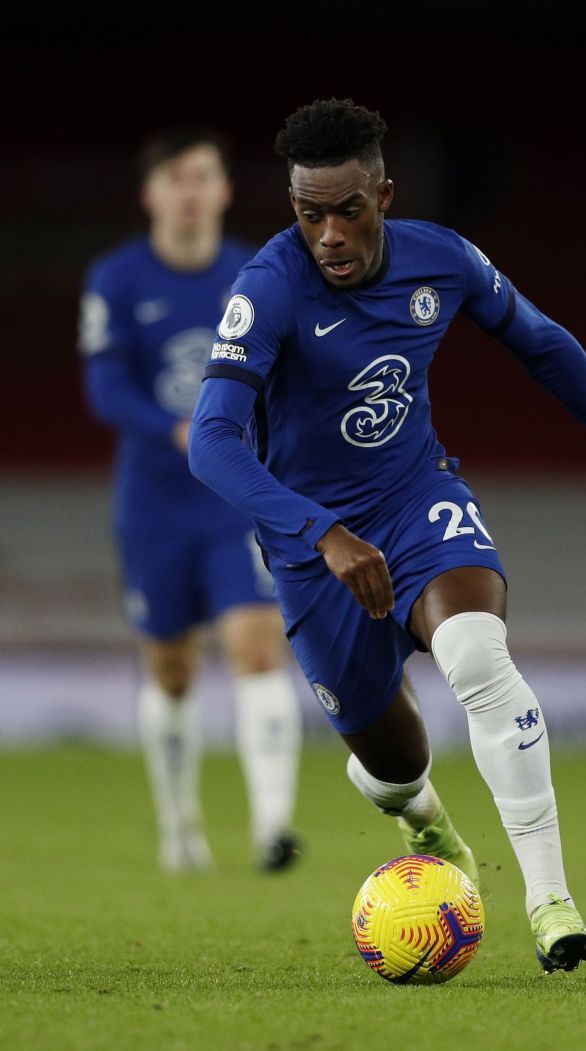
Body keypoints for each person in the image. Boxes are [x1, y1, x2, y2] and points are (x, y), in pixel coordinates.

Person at [188, 99, 586, 972]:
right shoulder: (268, 289)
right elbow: (211, 443)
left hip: (414, 500)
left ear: (385, 196)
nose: (327, 233)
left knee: (477, 653)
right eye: (307, 213)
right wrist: (322, 532)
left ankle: (552, 901)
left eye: (346, 210)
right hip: (310, 544)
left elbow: (545, 343)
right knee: (391, 762)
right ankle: (425, 822)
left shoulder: (443, 258)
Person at [78, 128, 304, 874]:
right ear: (151, 193)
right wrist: (176, 430)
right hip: (154, 505)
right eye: (176, 177)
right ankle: (180, 826)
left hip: (235, 496)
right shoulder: (116, 279)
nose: (190, 190)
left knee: (256, 646)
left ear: (224, 190)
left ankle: (274, 826)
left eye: (203, 176)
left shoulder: (256, 273)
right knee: (172, 668)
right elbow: (105, 388)